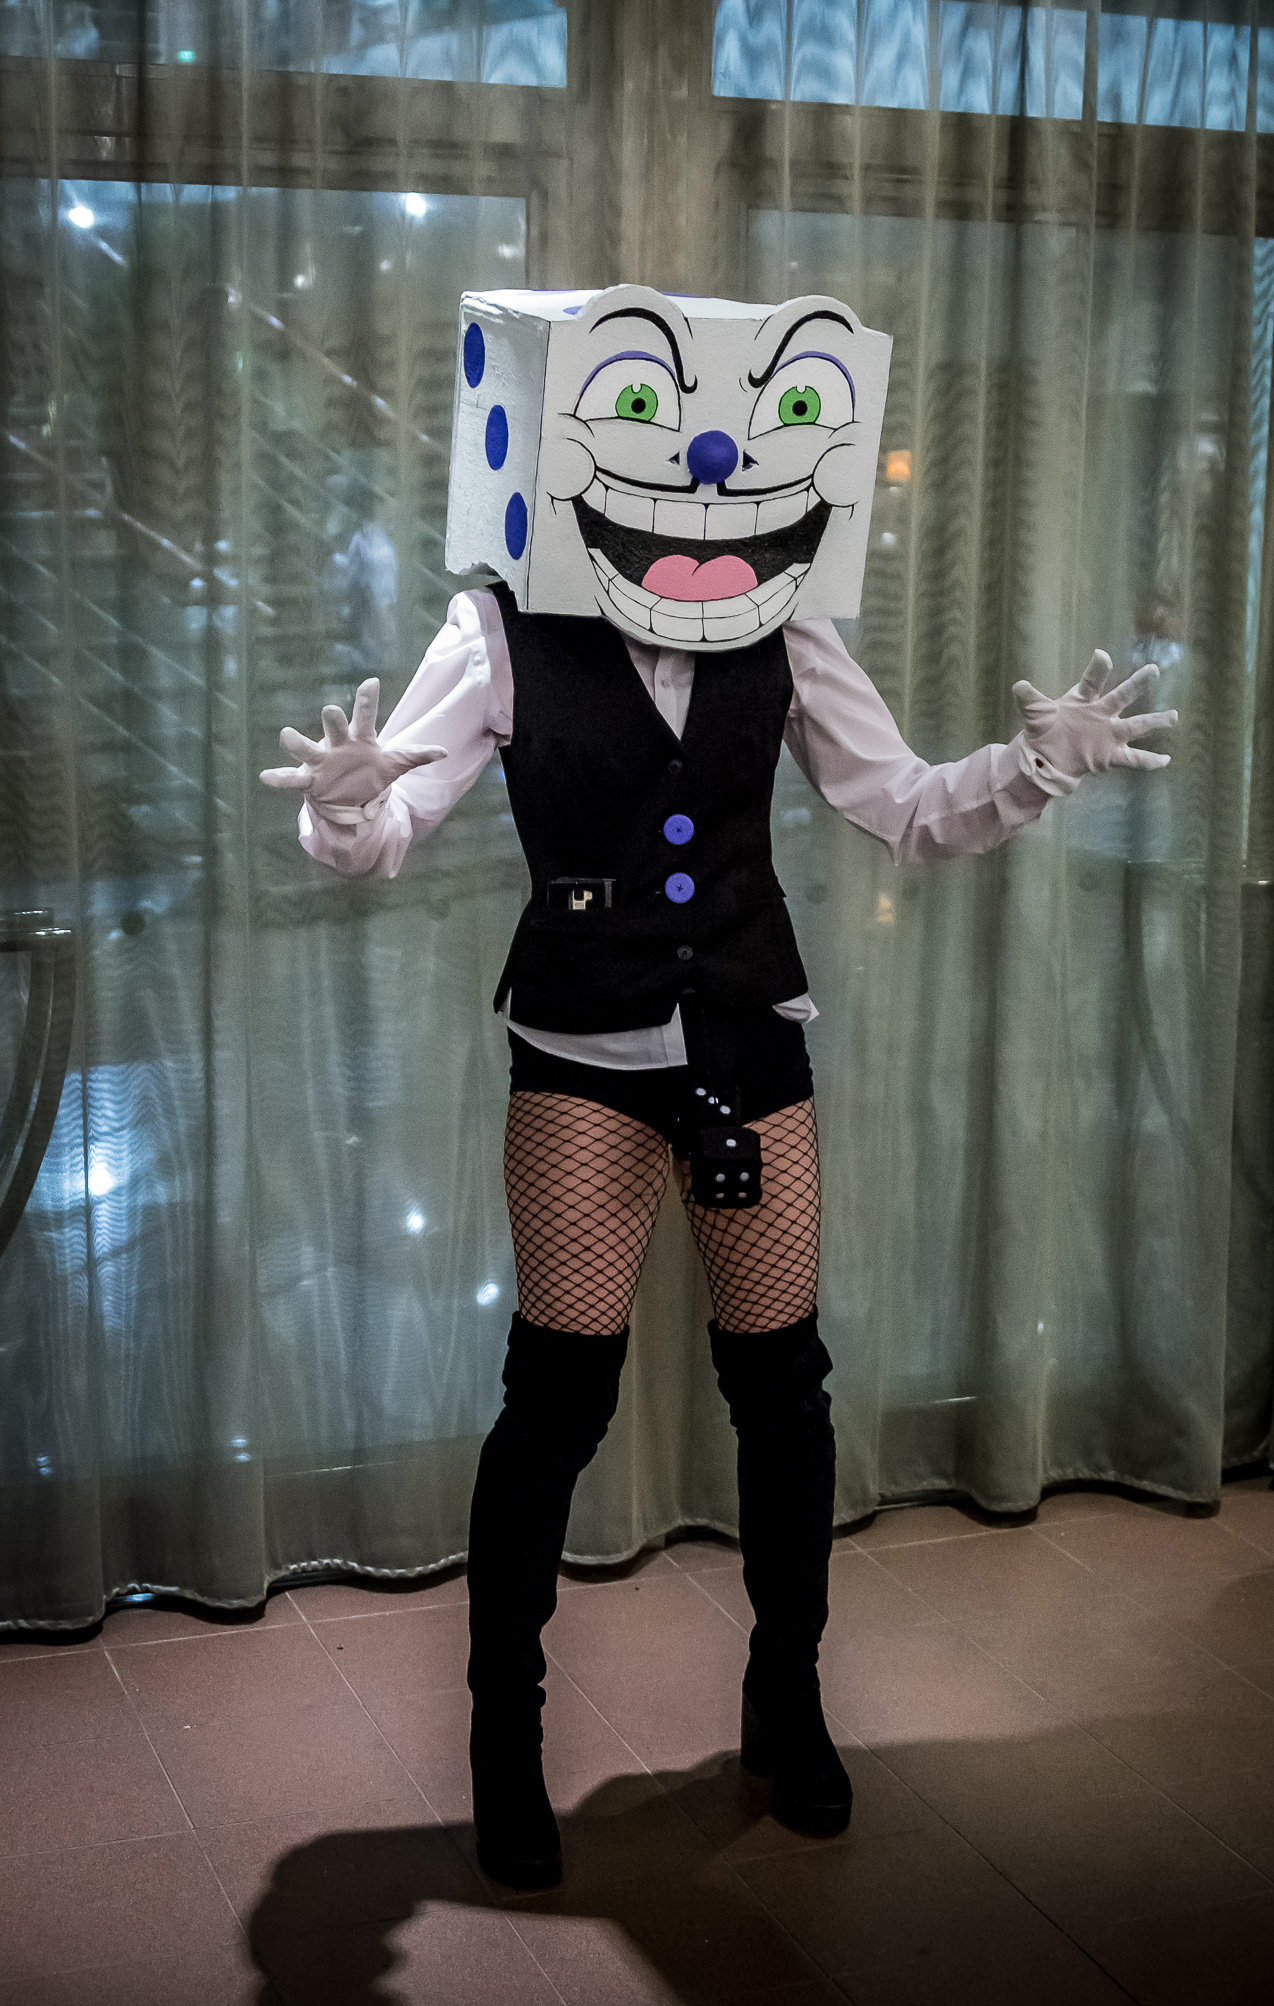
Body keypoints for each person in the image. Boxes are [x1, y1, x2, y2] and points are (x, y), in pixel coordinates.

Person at [261, 286, 1177, 1890]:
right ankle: (502, 1738)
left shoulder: (786, 620)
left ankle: (785, 1699)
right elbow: (385, 829)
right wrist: (344, 806)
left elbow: (900, 803)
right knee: (556, 1401)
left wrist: (1035, 767)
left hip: (752, 1042)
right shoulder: (498, 629)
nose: (694, 472)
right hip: (581, 1057)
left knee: (783, 1390)